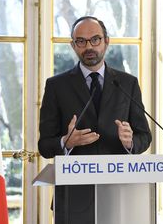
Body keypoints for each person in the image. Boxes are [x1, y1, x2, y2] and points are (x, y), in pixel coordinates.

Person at [38, 16, 152, 224]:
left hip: (120, 195)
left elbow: (144, 136)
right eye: (81, 41)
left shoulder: (127, 83)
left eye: (95, 39)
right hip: (73, 198)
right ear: (73, 46)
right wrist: (66, 142)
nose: (89, 46)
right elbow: (45, 145)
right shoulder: (56, 86)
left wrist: (130, 142)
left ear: (106, 42)